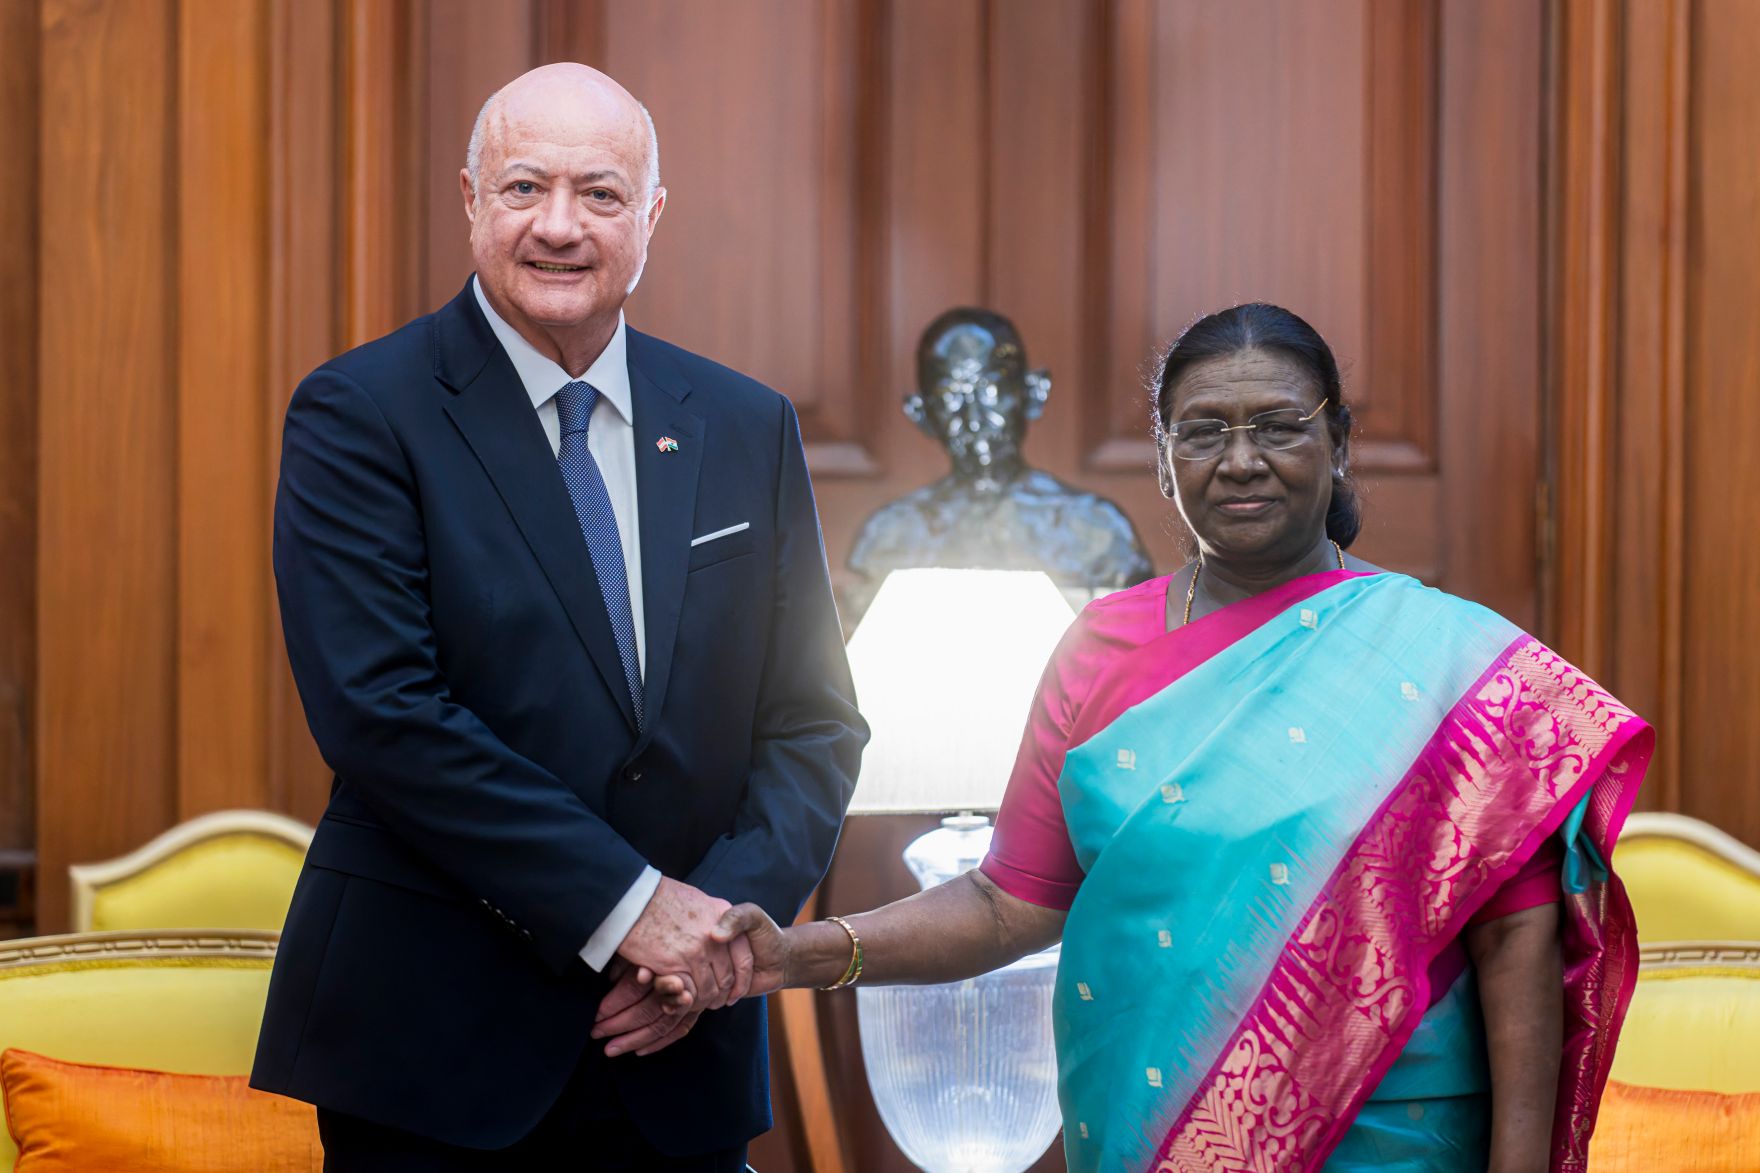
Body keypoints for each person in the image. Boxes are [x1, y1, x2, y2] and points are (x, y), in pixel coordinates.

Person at [606, 303, 1652, 1172]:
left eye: (1277, 426)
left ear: (1335, 445)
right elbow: (1004, 903)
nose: (1238, 460)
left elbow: (1515, 938)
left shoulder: (1447, 663)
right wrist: (792, 954)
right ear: (1161, 462)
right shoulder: (1098, 646)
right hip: (1150, 1129)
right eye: (1201, 431)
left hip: (1392, 1137)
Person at [251, 63, 866, 1171]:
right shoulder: (360, 414)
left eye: (599, 193)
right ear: (470, 201)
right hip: (435, 1051)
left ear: (652, 216)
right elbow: (382, 713)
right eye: (524, 187)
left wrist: (711, 941)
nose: (558, 227)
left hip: (678, 1053)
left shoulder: (743, 424)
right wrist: (631, 910)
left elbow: (814, 724)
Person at [845, 307, 1152, 620]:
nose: (974, 419)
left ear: (1033, 393)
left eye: (990, 390)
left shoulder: (1097, 530)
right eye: (951, 396)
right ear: (920, 413)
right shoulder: (890, 534)